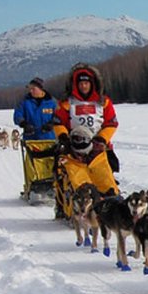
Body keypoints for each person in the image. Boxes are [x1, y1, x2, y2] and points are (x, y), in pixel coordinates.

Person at [52, 63, 120, 210]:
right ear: (76, 84)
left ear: (92, 84)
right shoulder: (66, 103)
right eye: (81, 83)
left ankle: (110, 205)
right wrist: (63, 137)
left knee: (106, 180)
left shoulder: (104, 102)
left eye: (86, 83)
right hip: (73, 149)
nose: (84, 86)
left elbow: (111, 123)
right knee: (78, 180)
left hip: (98, 148)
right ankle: (77, 207)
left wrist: (102, 138)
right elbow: (58, 122)